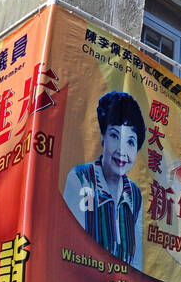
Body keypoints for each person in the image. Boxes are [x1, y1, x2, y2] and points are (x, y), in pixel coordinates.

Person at [62, 91, 145, 269]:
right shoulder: (80, 178)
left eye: (131, 142)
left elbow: (137, 262)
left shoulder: (134, 194)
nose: (122, 151)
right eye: (115, 136)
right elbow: (67, 248)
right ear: (102, 137)